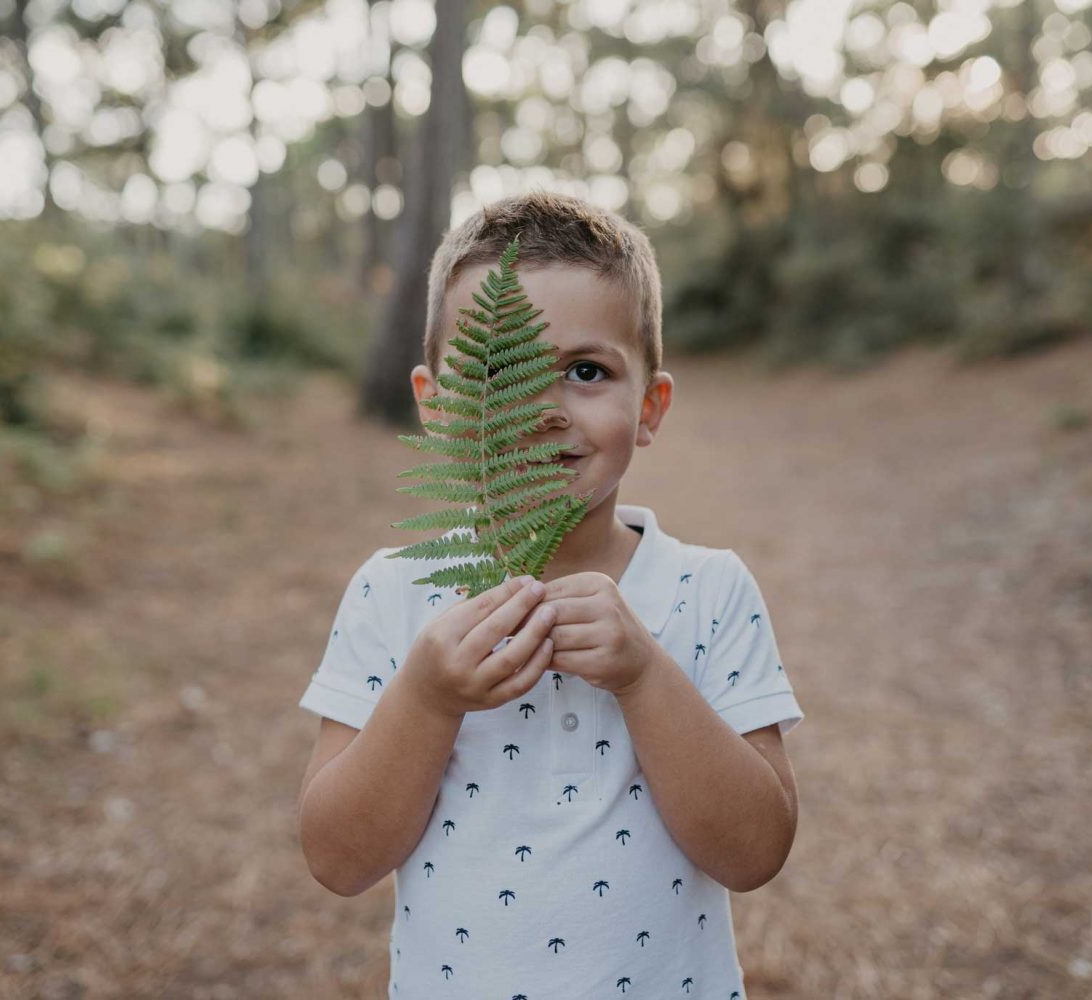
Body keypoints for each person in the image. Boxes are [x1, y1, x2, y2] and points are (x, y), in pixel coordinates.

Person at [297, 190, 804, 998]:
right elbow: (337, 859)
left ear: (649, 407)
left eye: (584, 371)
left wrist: (644, 673)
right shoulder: (394, 593)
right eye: (497, 372)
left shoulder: (709, 590)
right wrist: (427, 698)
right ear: (434, 405)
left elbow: (755, 853)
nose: (539, 410)